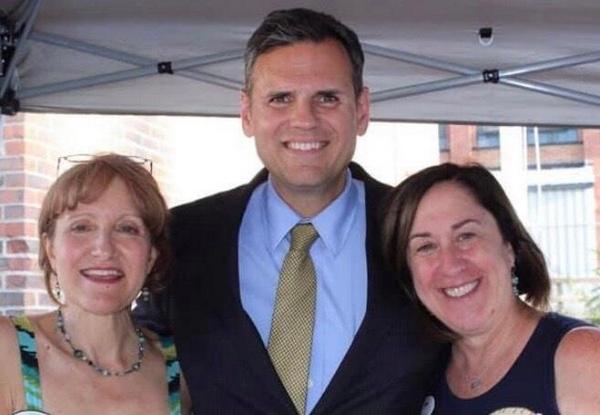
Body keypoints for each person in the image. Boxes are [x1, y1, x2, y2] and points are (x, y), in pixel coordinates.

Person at [134, 7, 442, 415]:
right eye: (280, 98)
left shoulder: (418, 228)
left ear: (362, 109)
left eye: (327, 98)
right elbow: (129, 366)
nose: (304, 121)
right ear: (247, 113)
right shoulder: (183, 236)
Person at [382, 162, 600, 414]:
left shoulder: (584, 358)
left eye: (466, 236)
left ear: (509, 246)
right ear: (409, 273)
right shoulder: (419, 373)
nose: (450, 264)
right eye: (426, 247)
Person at [0, 154, 191, 414]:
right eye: (81, 227)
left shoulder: (181, 369)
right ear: (51, 249)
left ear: (150, 257)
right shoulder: (8, 350)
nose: (104, 249)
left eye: (127, 228)